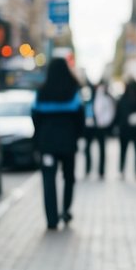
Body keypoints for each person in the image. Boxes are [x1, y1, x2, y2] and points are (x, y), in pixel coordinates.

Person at [31, 61, 85, 230]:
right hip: (68, 144)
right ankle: (66, 210)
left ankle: (51, 219)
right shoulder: (73, 92)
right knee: (69, 177)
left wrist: (39, 138)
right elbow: (80, 119)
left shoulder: (41, 93)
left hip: (47, 145)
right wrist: (77, 136)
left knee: (48, 180)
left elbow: (35, 117)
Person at [83, 81, 115, 178]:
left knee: (101, 149)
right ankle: (88, 169)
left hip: (99, 126)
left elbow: (109, 112)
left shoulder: (104, 97)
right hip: (90, 126)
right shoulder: (89, 97)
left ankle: (100, 171)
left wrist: (103, 123)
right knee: (88, 148)